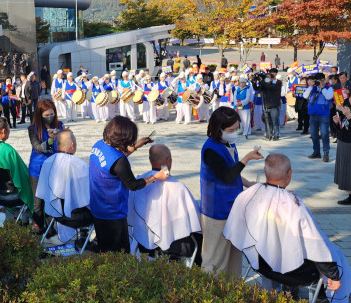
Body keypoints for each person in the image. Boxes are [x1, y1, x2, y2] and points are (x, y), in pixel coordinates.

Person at [224, 154, 349, 301]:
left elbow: (234, 229)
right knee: (336, 258)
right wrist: (333, 275)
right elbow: (315, 246)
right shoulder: (294, 205)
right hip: (292, 272)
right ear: (289, 174)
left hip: (259, 263)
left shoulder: (250, 194)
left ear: (264, 171)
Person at [200, 106, 263, 278]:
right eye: (231, 130)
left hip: (233, 206)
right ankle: (209, 292)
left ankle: (232, 291)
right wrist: (247, 158)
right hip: (216, 210)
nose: (235, 133)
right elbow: (226, 176)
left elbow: (233, 170)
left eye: (237, 129)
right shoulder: (211, 149)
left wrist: (248, 183)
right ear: (217, 129)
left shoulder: (227, 143)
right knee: (215, 258)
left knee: (233, 257)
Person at [89, 116, 168, 253]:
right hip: (112, 213)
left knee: (104, 247)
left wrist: (137, 145)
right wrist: (155, 176)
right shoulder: (120, 162)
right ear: (123, 140)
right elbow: (133, 185)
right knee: (119, 254)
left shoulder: (99, 145)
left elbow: (113, 160)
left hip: (97, 207)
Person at [128, 144, 202, 263]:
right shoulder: (178, 187)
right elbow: (194, 220)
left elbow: (131, 215)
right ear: (168, 160)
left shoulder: (140, 182)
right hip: (173, 246)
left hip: (144, 242)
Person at [36, 130, 92, 243]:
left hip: (55, 213)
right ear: (72, 145)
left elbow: (42, 192)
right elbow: (88, 197)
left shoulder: (48, 162)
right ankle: (86, 236)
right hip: (78, 217)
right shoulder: (80, 165)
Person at [27, 99, 65, 234]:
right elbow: (38, 148)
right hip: (37, 169)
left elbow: (63, 148)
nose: (50, 117)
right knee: (38, 203)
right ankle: (38, 226)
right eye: (46, 115)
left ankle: (50, 229)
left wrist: (66, 136)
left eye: (52, 114)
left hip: (54, 169)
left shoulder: (59, 125)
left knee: (51, 200)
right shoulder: (32, 128)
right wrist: (50, 140)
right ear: (39, 115)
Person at [304, 73, 333, 162]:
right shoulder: (313, 88)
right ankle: (316, 152)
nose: (319, 82)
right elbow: (305, 96)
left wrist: (322, 87)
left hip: (324, 114)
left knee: (324, 134)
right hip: (313, 114)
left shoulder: (329, 88)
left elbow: (329, 96)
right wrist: (310, 86)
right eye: (317, 80)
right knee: (313, 134)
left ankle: (326, 153)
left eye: (320, 80)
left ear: (324, 80)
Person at [253, 69, 282, 141]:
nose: (267, 78)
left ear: (272, 78)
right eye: (266, 77)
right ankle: (269, 134)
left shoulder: (274, 85)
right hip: (266, 106)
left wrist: (262, 80)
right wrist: (254, 82)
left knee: (274, 122)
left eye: (268, 77)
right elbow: (257, 88)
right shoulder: (264, 86)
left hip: (273, 106)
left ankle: (276, 135)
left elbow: (269, 87)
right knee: (268, 122)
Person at [333, 100, 351, 205]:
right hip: (343, 141)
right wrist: (337, 122)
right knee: (345, 170)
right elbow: (342, 128)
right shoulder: (346, 108)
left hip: (349, 143)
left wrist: (349, 117)